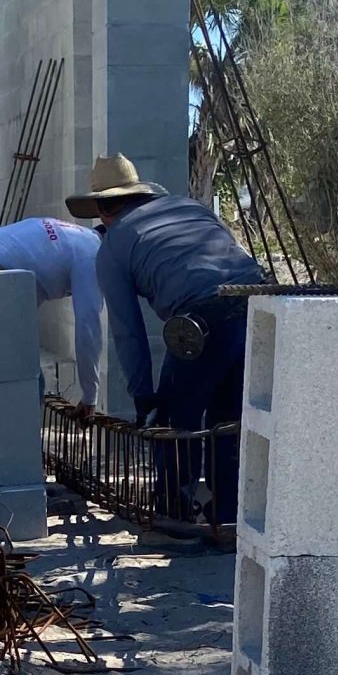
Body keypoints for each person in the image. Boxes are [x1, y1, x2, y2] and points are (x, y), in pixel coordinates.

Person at [69, 153, 266, 521]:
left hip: (200, 322)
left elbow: (128, 332)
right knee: (230, 421)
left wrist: (144, 395)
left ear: (104, 210)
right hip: (257, 307)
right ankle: (228, 516)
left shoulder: (112, 247)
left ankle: (174, 517)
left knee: (175, 424)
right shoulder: (192, 208)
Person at [0, 215, 105, 407]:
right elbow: (88, 327)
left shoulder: (76, 237)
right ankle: (16, 435)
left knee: (21, 376)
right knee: (19, 379)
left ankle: (15, 433)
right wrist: (90, 396)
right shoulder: (93, 255)